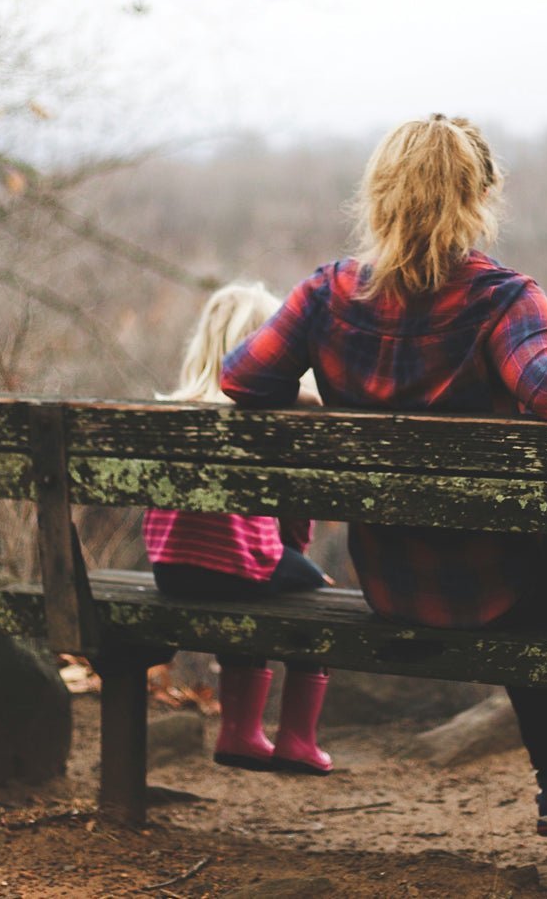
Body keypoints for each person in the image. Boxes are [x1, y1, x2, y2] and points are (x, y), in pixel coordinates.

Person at [221, 115, 547, 836]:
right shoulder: (502, 297)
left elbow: (240, 379)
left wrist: (312, 396)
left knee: (544, 567)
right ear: (478, 197)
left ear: (378, 195)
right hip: (498, 584)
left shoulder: (325, 294)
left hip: (389, 579)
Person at [147, 282, 336, 775]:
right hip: (237, 567)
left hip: (170, 570)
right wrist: (297, 558)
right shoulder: (266, 416)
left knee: (251, 582)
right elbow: (294, 513)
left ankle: (240, 731)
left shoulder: (172, 411)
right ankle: (295, 739)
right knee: (315, 592)